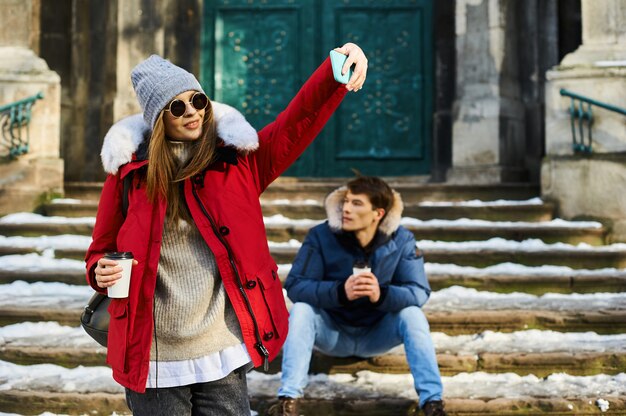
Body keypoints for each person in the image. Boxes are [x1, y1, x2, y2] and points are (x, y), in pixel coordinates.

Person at [84, 43, 367, 415]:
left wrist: (333, 73)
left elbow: (296, 123)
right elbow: (100, 249)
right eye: (177, 107)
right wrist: (99, 270)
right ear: (157, 119)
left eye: (198, 100)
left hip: (221, 343)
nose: (192, 113)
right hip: (153, 350)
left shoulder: (236, 162)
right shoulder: (128, 176)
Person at [267, 176, 447, 416]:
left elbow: (418, 291)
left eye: (357, 204)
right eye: (346, 202)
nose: (347, 209)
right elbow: (297, 286)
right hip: (332, 333)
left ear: (378, 213)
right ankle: (288, 400)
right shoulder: (321, 236)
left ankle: (432, 403)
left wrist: (380, 294)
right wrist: (340, 292)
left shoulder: (402, 240)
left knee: (412, 314)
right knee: (301, 310)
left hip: (377, 334)